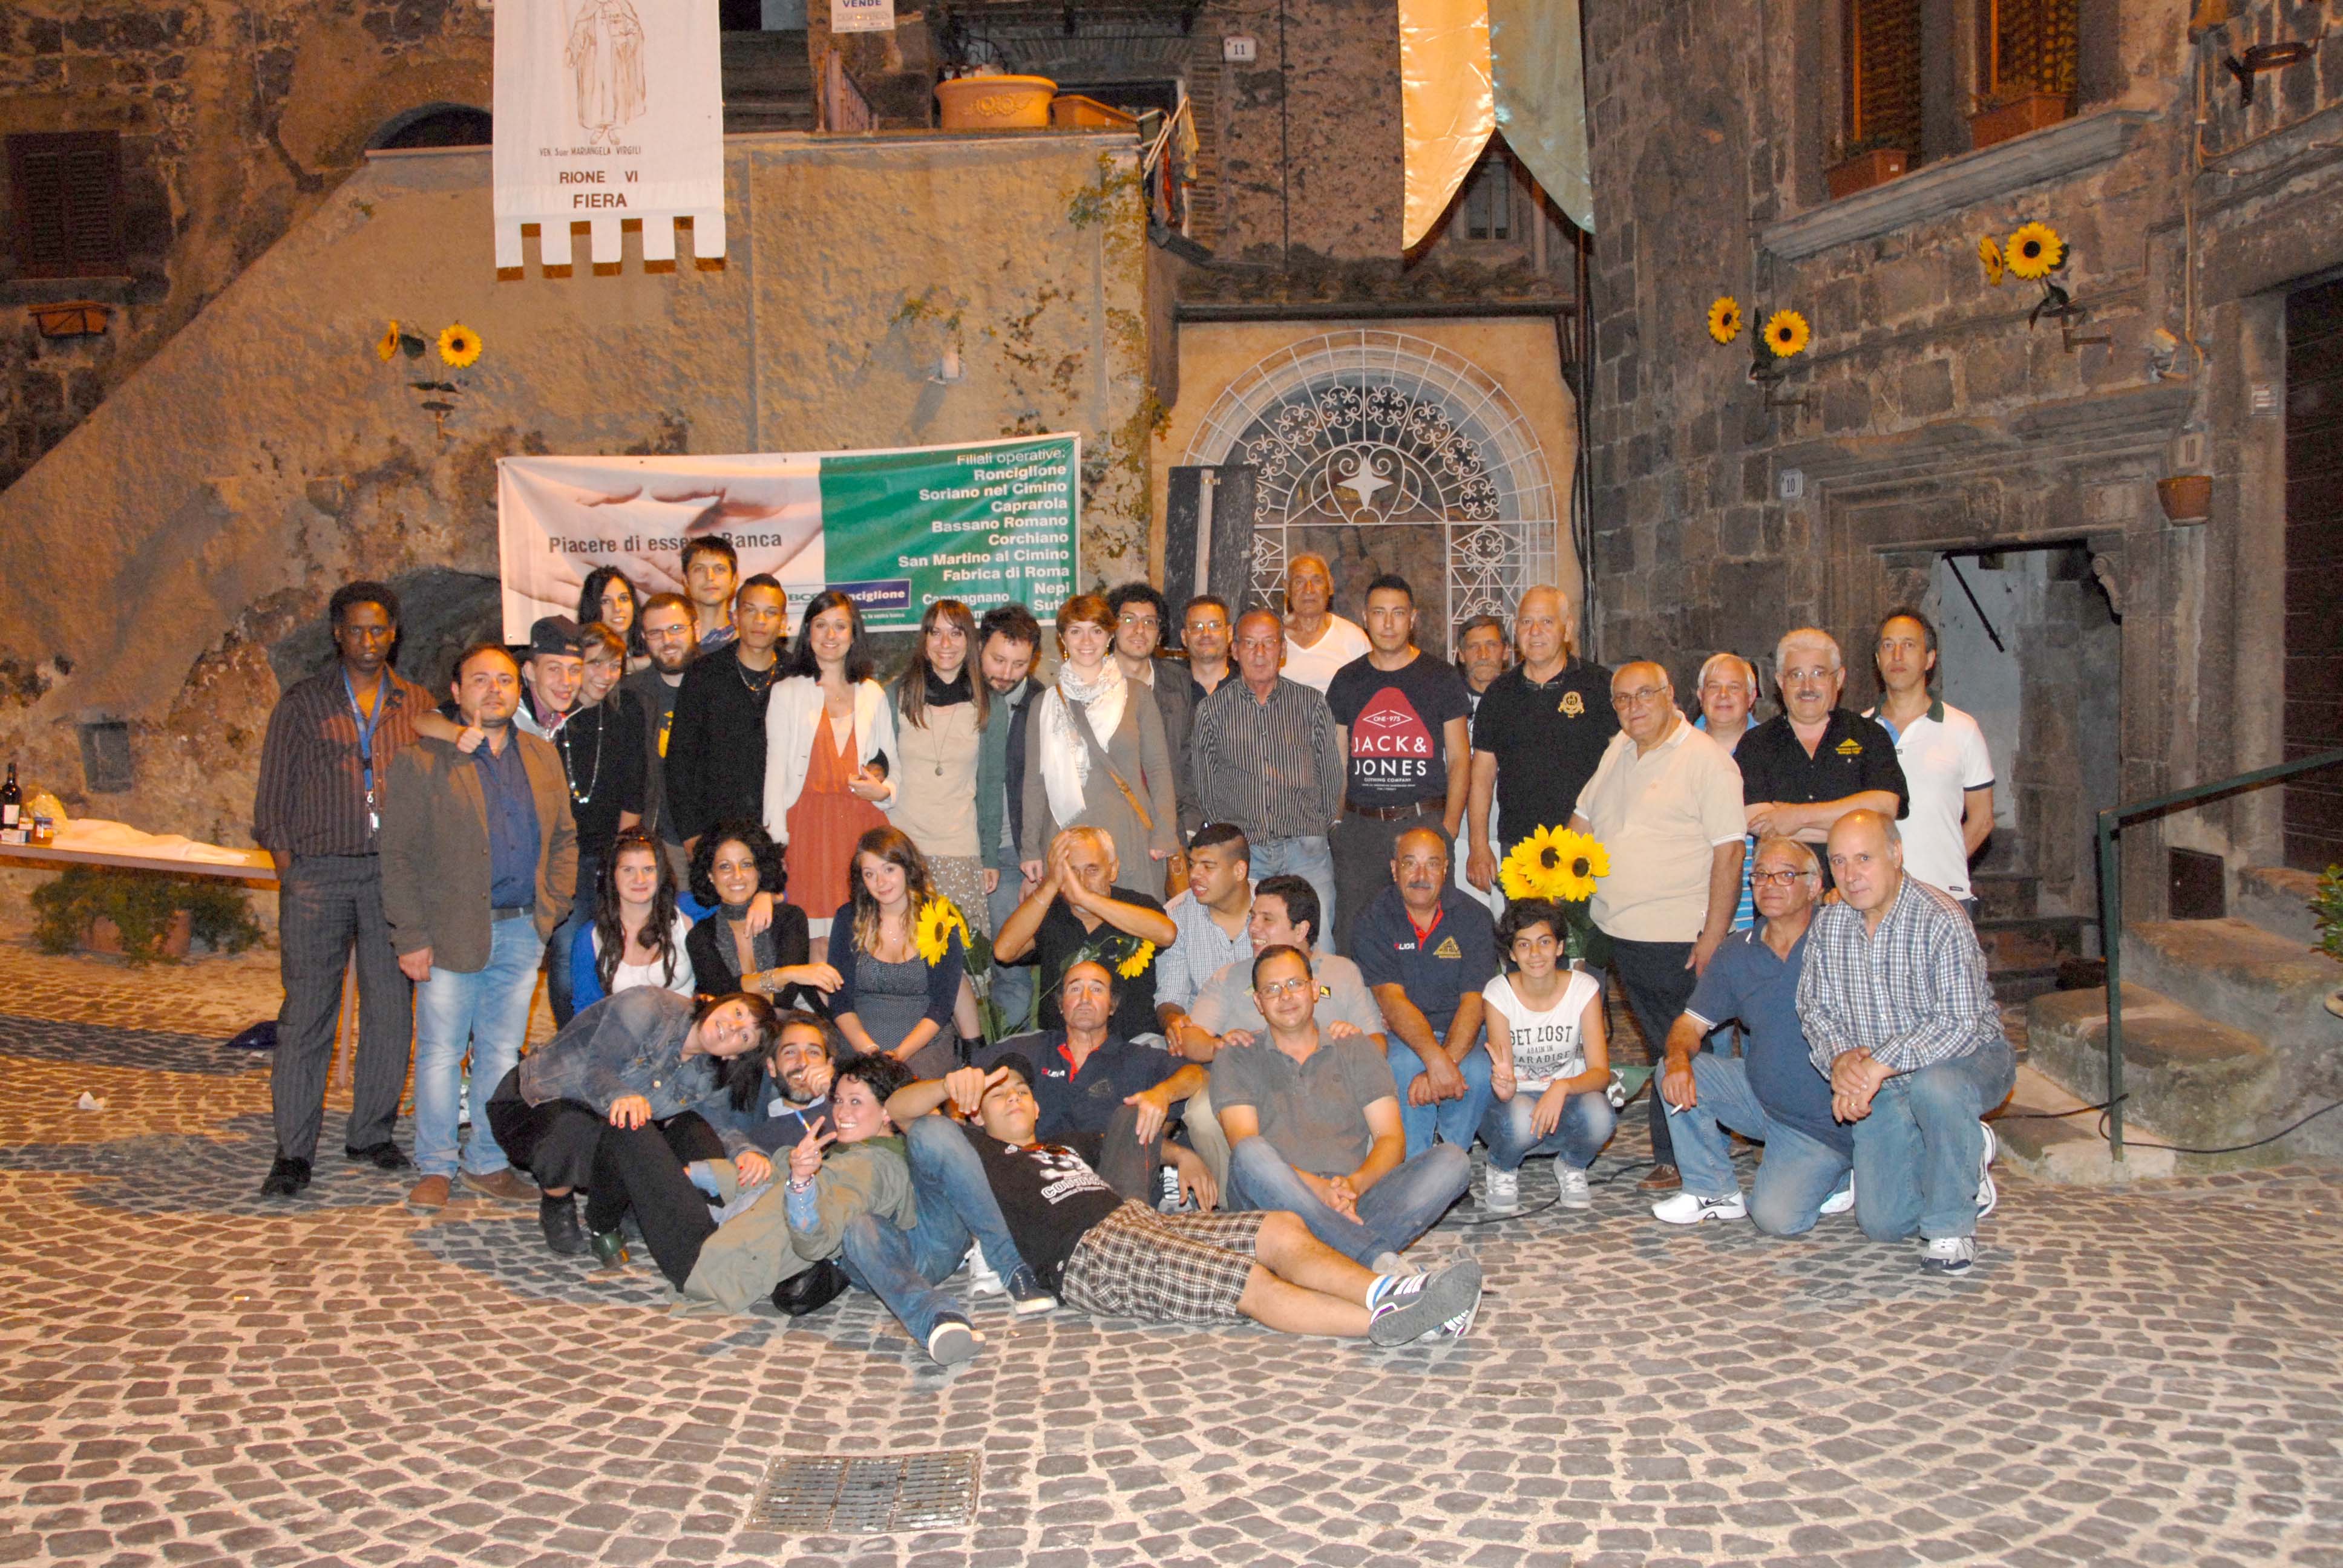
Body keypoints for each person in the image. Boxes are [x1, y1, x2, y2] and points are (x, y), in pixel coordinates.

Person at [877, 1054, 1486, 1354]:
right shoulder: (977, 1153)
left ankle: (1391, 1291)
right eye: (997, 1095)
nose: (1011, 1099)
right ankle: (1396, 1319)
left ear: (1037, 1107)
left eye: (1020, 1092)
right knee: (1244, 1280)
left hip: (1136, 1221)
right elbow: (902, 1115)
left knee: (1278, 1227)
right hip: (1086, 1256)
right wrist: (945, 1087)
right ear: (973, 1114)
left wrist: (1182, 1155)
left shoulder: (1065, 1144)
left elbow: (1133, 1138)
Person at [378, 641, 577, 1215]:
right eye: (481, 680)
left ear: (520, 690)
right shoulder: (424, 760)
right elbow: (398, 856)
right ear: (457, 692)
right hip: (448, 934)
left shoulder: (541, 756)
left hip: (521, 931)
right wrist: (410, 936)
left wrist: (552, 907)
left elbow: (564, 838)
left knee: (500, 1053)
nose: (495, 690)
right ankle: (436, 1165)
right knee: (441, 1053)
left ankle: (487, 1161)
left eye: (506, 680)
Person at [252, 581, 433, 1197]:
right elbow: (272, 800)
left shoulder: (416, 704)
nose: (367, 640)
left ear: (394, 634)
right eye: (355, 629)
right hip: (319, 875)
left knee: (390, 1011)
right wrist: (292, 871)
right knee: (307, 1014)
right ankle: (293, 1151)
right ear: (337, 633)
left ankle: (371, 1133)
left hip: (390, 876)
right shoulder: (303, 703)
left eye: (378, 629)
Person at [1798, 811, 2014, 1273]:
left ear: (1896, 854)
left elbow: (1959, 1024)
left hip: (1968, 1060)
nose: (1851, 875)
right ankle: (1960, 1151)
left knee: (1937, 1089)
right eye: (1839, 862)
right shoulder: (1828, 925)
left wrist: (1875, 1065)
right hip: (1883, 1080)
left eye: (1864, 858)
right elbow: (1814, 1009)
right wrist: (1840, 1062)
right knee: (1884, 1223)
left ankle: (1951, 1227)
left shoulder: (1941, 918)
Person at [1570, 659, 1748, 1193]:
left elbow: (1731, 852)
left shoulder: (1708, 761)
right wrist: (1553, 877)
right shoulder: (1618, 748)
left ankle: (1689, 1162)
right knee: (1656, 1045)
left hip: (1676, 935)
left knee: (1683, 1046)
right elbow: (1583, 820)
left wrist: (1713, 934)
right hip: (1619, 931)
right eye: (1623, 699)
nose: (1634, 707)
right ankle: (1682, 1152)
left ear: (1672, 696)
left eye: (1645, 694)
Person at [1213, 944, 1472, 1268]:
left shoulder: (1354, 1047)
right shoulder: (1238, 1054)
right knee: (1251, 1153)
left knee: (1452, 1161)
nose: (1285, 996)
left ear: (1314, 989)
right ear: (1258, 1002)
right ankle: (1370, 1258)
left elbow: (1391, 1138)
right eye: (1272, 989)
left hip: (1352, 1199)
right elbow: (1243, 1145)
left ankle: (1322, 1260)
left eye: (1295, 984)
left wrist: (1354, 1186)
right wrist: (1319, 1191)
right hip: (1274, 1207)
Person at [483, 987, 775, 1263]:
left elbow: (719, 1122)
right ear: (719, 1002)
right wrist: (622, 1095)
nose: (732, 1027)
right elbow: (595, 1070)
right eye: (738, 1013)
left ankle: (624, 1212)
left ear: (734, 1055)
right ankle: (557, 1201)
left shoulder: (710, 1071)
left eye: (744, 1036)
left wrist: (745, 1151)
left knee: (694, 1134)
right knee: (587, 1125)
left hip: (607, 1128)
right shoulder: (648, 1007)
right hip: (536, 1102)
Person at [1653, 837, 1856, 1234]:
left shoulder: (1842, 937)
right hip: (1761, 1100)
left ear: (1815, 886)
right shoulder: (1738, 950)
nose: (1770, 885)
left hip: (1827, 1119)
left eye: (1785, 875)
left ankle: (1843, 1171)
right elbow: (1689, 1025)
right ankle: (1712, 1190)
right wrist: (1677, 1061)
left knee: (1776, 1218)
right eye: (1761, 875)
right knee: (1674, 1067)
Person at [1179, 875, 1389, 1188]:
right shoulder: (1230, 977)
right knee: (1200, 1112)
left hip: (1325, 1081)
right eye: (1253, 917)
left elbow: (1377, 1043)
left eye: (1267, 919)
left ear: (1301, 930)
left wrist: (1353, 1038)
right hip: (1250, 1087)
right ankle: (1234, 1197)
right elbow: (1190, 1040)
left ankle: (1353, 1189)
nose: (1253, 928)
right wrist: (1219, 1045)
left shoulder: (1342, 972)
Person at [974, 960, 1212, 1203]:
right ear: (1061, 1005)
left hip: (1113, 1189)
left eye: (1097, 989)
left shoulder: (1135, 1058)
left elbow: (1197, 1074)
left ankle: (1128, 1222)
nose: (1085, 998)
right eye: (1075, 989)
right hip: (1039, 1185)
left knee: (1131, 1115)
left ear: (1112, 1006)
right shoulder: (1032, 1049)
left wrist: (1163, 1094)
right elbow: (969, 1075)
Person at [1325, 573, 1472, 955]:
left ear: (1413, 618)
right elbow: (1338, 759)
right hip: (1360, 829)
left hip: (1423, 822)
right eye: (1379, 613)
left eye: (1398, 613)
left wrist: (1449, 828)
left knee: (1434, 934)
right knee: (1354, 933)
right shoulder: (1347, 680)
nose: (1388, 623)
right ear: (1365, 618)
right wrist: (1337, 824)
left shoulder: (1441, 677)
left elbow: (1460, 758)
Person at [1190, 609, 1345, 937]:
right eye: (1249, 643)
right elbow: (1206, 785)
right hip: (1248, 854)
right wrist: (1235, 838)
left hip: (1306, 850)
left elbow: (1331, 773)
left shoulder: (1311, 703)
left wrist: (1316, 827)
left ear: (1282, 650)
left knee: (1317, 940)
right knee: (1253, 943)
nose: (1259, 653)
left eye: (1269, 643)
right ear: (1235, 650)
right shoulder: (1212, 711)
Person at [1350, 826, 1499, 1160]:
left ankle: (1452, 1159)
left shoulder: (1475, 917)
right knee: (1402, 1065)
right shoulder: (1372, 919)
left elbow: (1474, 1000)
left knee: (1478, 1069)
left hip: (1463, 1029)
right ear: (1394, 869)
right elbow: (1392, 1000)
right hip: (1400, 1032)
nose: (1421, 876)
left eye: (1432, 864)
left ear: (1446, 869)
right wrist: (1435, 1059)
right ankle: (1414, 1165)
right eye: (1410, 864)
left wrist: (1447, 1062)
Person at [1466, 585, 1617, 897]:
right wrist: (1478, 846)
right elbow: (1481, 776)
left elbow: (1624, 761)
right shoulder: (1499, 694)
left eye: (1546, 621)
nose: (1535, 632)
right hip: (1521, 849)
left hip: (1589, 844)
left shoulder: (1600, 686)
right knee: (1527, 929)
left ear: (1567, 629)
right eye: (1526, 622)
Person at [1018, 593, 1179, 884]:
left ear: (1109, 636)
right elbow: (1034, 783)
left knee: (1134, 913)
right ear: (1063, 639)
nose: (1086, 641)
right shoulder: (1044, 704)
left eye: (1096, 630)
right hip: (1064, 837)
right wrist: (1030, 847)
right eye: (1075, 631)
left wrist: (1165, 832)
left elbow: (1158, 769)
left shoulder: (1137, 695)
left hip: (1128, 835)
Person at [765, 589, 897, 929]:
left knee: (866, 932)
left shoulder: (873, 694)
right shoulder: (786, 693)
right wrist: (774, 848)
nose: (830, 635)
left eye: (840, 626)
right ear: (808, 632)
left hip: (862, 829)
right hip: (805, 830)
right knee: (815, 937)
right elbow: (774, 776)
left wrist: (883, 792)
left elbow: (894, 769)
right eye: (821, 625)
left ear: (854, 635)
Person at [537, 621, 646, 1026]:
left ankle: (607, 1036)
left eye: (614, 665)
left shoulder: (626, 710)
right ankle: (571, 1037)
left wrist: (623, 858)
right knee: (567, 952)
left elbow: (635, 789)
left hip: (606, 854)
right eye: (595, 663)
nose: (606, 675)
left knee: (612, 950)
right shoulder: (548, 716)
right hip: (560, 857)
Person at [1477, 900, 1615, 1214]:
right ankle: (1501, 1167)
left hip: (1565, 1097)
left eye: (1544, 942)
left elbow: (1600, 1073)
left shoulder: (1584, 989)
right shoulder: (1499, 993)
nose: (1535, 954)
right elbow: (1506, 1084)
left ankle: (1572, 1165)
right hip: (1515, 1102)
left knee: (1601, 1115)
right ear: (1512, 954)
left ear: (1560, 947)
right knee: (1521, 1116)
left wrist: (1562, 1086)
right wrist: (1505, 1086)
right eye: (1524, 945)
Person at [1738, 628, 1909, 879]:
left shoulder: (1870, 735)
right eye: (1796, 675)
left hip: (1858, 887)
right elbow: (1758, 821)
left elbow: (1885, 807)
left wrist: (1797, 817)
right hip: (1783, 892)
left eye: (1818, 674)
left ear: (1838, 679)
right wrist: (1857, 831)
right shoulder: (1755, 744)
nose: (1807, 686)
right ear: (1780, 681)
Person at [994, 826, 1177, 1043]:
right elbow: (1003, 952)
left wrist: (1085, 899)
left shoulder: (1137, 904)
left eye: (1092, 870)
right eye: (1072, 871)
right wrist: (1051, 884)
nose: (1081, 881)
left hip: (1134, 1046)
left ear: (1113, 869)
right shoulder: (1049, 911)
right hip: (1061, 1047)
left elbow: (1167, 934)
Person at [1865, 609, 1994, 916]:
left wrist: (1943, 868)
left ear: (1930, 658)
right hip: (1875, 898)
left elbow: (1982, 819)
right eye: (1888, 646)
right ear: (1878, 659)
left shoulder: (1962, 729)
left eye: (1909, 645)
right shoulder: (1859, 731)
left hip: (1943, 897)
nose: (1897, 655)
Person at [826, 826, 968, 1077]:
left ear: (907, 868)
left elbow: (943, 1005)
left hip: (923, 1047)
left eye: (889, 870)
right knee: (864, 1087)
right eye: (869, 874)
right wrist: (870, 1052)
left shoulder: (940, 920)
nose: (880, 883)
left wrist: (900, 1054)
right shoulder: (848, 918)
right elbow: (839, 1002)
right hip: (859, 1047)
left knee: (908, 1089)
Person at [888, 599, 991, 936]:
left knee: (964, 953)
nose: (945, 643)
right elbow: (879, 764)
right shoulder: (896, 696)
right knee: (904, 949)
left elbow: (991, 784)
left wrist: (989, 857)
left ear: (970, 640)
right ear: (925, 639)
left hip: (958, 847)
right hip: (903, 848)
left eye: (956, 633)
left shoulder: (988, 702)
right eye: (936, 633)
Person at [664, 574, 788, 852]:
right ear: (735, 616)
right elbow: (680, 760)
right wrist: (691, 835)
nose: (760, 621)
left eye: (770, 613)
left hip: (783, 832)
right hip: (715, 834)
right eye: (750, 610)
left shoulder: (796, 675)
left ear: (783, 622)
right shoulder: (704, 674)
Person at [973, 603, 1044, 1028]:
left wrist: (1037, 861)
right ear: (980, 647)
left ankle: (1013, 1051)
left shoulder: (1043, 705)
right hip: (957, 849)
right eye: (998, 660)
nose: (1006, 673)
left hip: (1014, 855)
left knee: (1010, 966)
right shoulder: (957, 695)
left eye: (1019, 664)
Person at [681, 818, 837, 1008]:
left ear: (759, 870)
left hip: (796, 1019)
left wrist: (744, 987)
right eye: (725, 866)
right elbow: (723, 995)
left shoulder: (790, 918)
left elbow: (784, 997)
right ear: (710, 876)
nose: (737, 875)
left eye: (746, 864)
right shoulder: (700, 936)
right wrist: (788, 974)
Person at [1106, 581, 1203, 852]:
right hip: (1109, 827)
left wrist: (1190, 824)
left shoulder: (1180, 683)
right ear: (1112, 629)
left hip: (1169, 827)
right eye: (1129, 620)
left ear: (1160, 634)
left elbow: (1193, 757)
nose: (1140, 630)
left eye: (1149, 622)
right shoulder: (1091, 684)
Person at [566, 831, 698, 1014]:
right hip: (624, 1030)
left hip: (687, 1027)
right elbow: (586, 1008)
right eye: (628, 870)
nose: (640, 879)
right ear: (612, 876)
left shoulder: (689, 910)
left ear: (661, 874)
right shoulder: (589, 937)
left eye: (649, 869)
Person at [617, 591, 698, 885]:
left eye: (676, 628)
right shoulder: (630, 695)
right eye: (656, 633)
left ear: (696, 628)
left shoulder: (720, 685)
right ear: (644, 637)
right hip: (657, 841)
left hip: (717, 839)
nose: (668, 640)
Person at [1153, 822, 1254, 1047]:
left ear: (1239, 871)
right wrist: (1174, 1020)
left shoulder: (1274, 906)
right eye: (1192, 864)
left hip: (1264, 1034)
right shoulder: (1176, 916)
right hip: (1204, 1038)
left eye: (1208, 867)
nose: (1194, 875)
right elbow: (1171, 996)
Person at [1693, 651, 1763, 933]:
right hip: (1690, 909)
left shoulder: (1774, 748)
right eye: (1714, 687)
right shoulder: (1676, 749)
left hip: (1758, 909)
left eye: (1734, 687)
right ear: (1700, 695)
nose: (1723, 696)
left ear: (1752, 696)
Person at [1453, 612, 1510, 909]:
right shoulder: (1448, 704)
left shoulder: (1522, 700)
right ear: (1461, 655)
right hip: (1461, 838)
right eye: (1474, 647)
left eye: (1492, 645)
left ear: (1506, 651)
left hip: (1513, 834)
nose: (1484, 654)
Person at [1279, 552, 1371, 694]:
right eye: (1299, 582)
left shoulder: (1353, 638)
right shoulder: (1272, 637)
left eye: (1317, 581)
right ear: (1287, 588)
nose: (1308, 590)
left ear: (1331, 586)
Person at [578, 563, 649, 671]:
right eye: (605, 601)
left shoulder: (651, 645)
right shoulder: (578, 654)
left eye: (624, 599)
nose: (617, 608)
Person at [681, 535, 739, 652]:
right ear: (686, 580)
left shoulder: (749, 640)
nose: (710, 577)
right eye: (699, 569)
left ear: (733, 580)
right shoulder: (668, 639)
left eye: (719, 569)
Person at [1180, 594, 1236, 705]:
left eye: (1214, 626)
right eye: (1197, 627)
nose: (1206, 634)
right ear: (1184, 637)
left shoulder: (1250, 689)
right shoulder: (1169, 690)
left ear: (1230, 634)